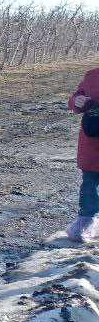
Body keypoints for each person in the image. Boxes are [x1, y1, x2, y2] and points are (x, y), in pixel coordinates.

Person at [65, 65, 99, 242]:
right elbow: (76, 98)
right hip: (92, 143)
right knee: (89, 185)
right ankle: (86, 222)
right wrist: (77, 101)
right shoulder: (92, 76)